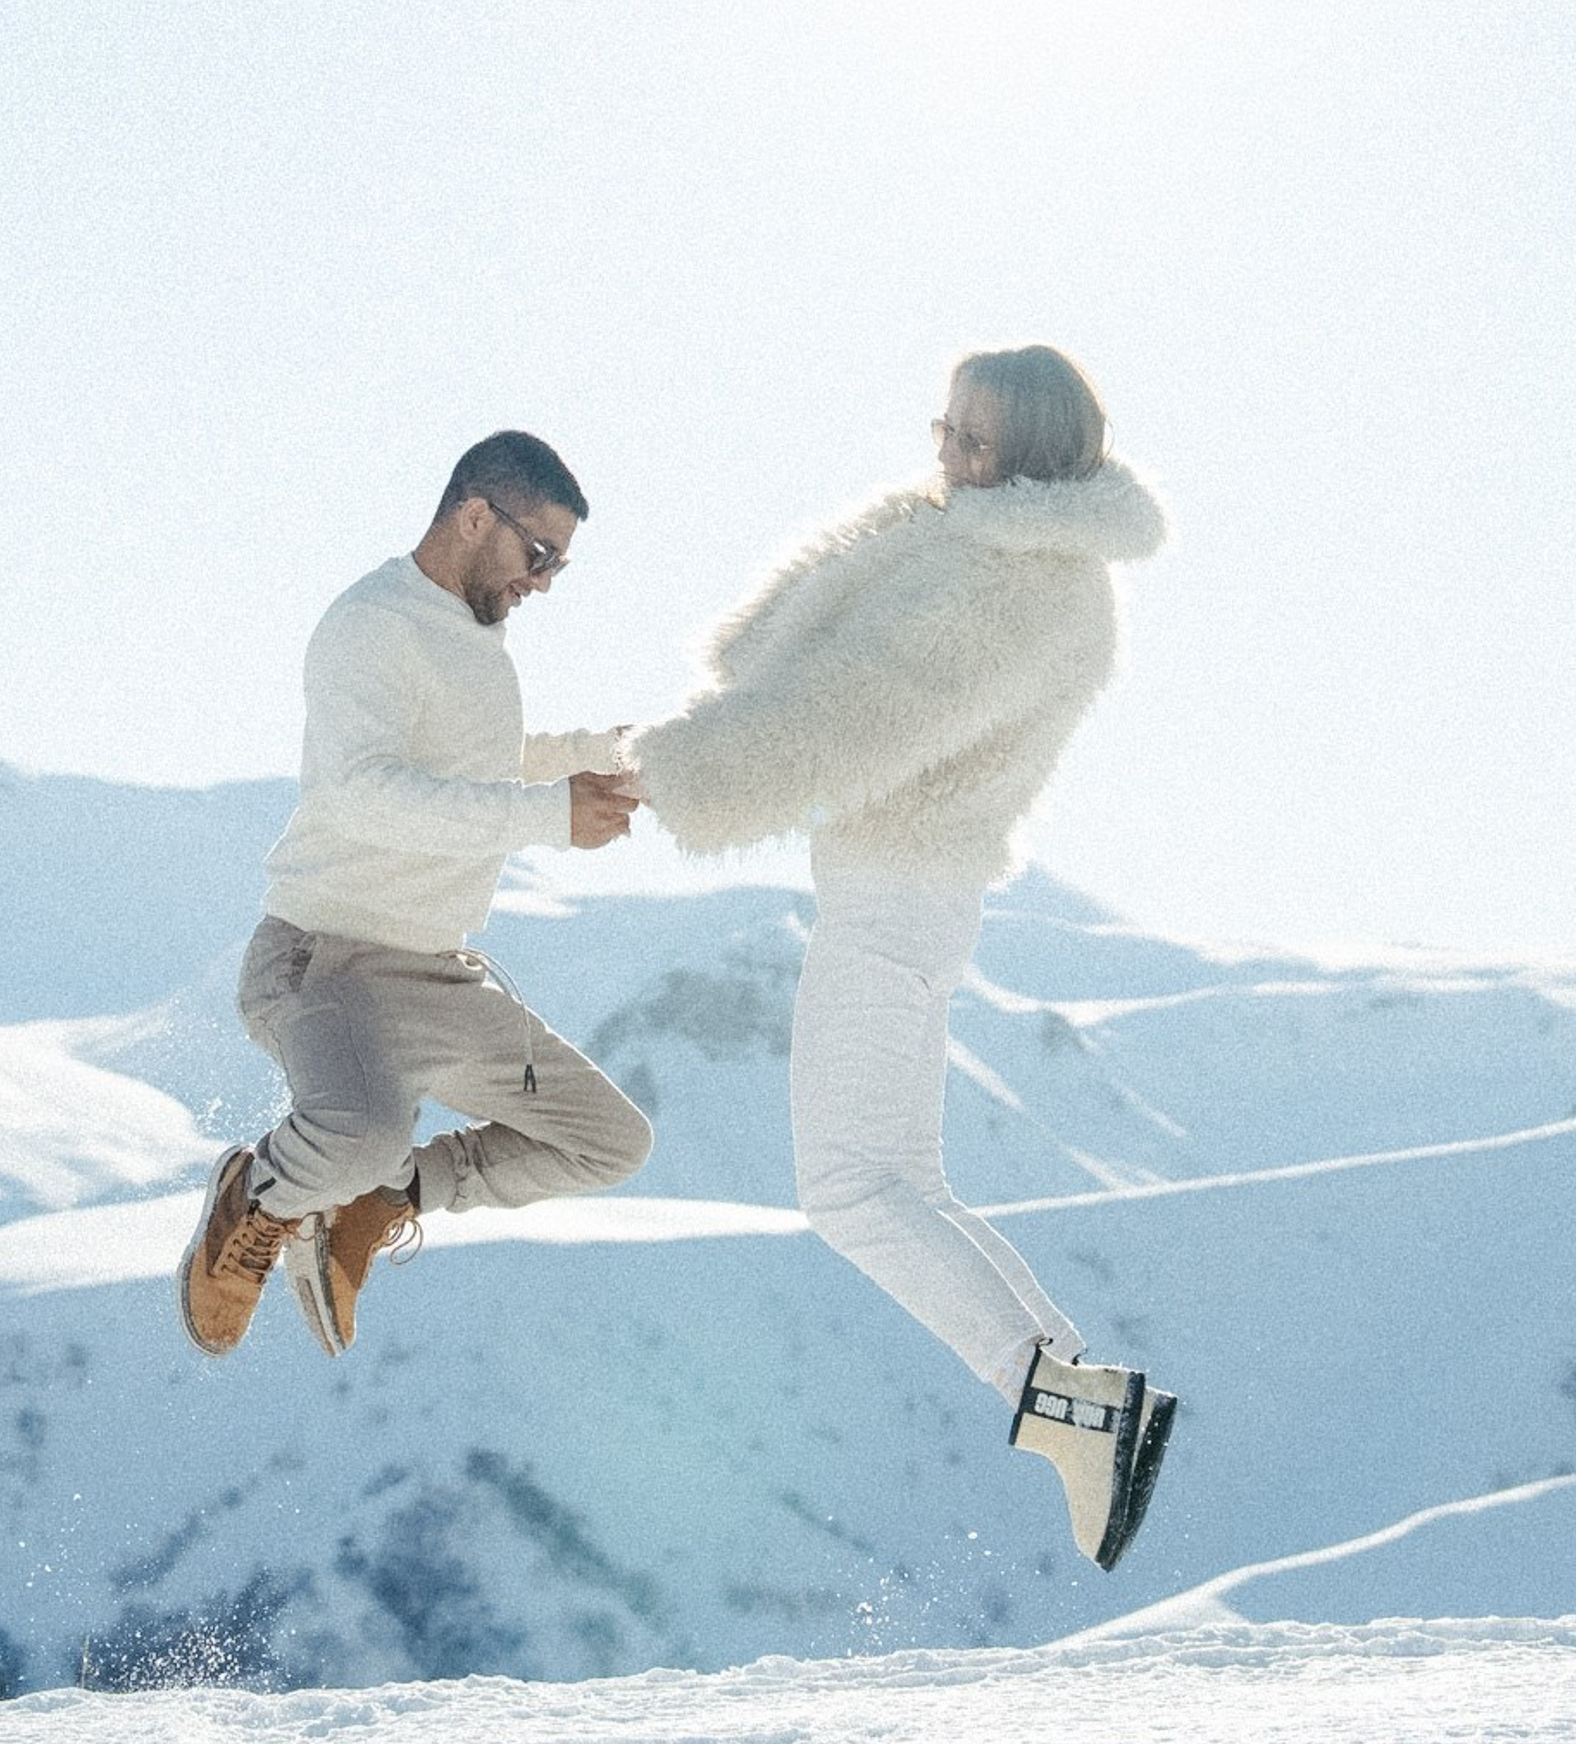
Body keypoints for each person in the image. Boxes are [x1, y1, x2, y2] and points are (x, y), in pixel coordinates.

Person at [626, 347, 1175, 1570]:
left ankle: (1074, 1413)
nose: (948, 454)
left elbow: (858, 710)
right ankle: (1082, 1400)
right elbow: (823, 670)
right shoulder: (1009, 559)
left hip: (893, 890)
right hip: (912, 892)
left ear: (1035, 457)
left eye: (977, 442)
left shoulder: (1011, 586)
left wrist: (677, 772)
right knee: (904, 1184)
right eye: (946, 427)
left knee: (853, 1191)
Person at [180, 430, 653, 1364]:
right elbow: (366, 795)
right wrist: (551, 815)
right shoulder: (372, 625)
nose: (546, 581)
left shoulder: (480, 642)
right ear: (476, 516)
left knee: (609, 1141)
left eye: (559, 564)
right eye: (540, 554)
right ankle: (257, 1196)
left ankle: (386, 1197)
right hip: (328, 961)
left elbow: (474, 769)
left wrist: (595, 756)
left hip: (438, 977)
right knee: (353, 1134)